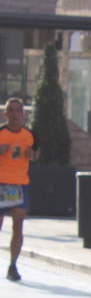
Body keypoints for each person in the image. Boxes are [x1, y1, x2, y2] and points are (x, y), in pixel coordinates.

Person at [0, 97, 37, 282]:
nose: (15, 114)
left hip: (19, 185)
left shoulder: (29, 135)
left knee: (18, 225)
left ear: (23, 114)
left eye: (18, 110)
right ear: (5, 114)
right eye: (11, 110)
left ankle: (13, 264)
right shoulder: (1, 133)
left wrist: (33, 154)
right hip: (0, 183)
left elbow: (36, 153)